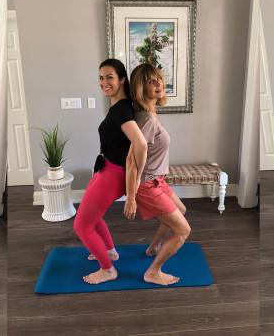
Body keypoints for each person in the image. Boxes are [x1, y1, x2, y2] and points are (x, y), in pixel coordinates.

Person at [74, 59, 147, 284]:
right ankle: (110, 251)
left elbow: (141, 144)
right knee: (91, 217)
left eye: (110, 77)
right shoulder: (118, 106)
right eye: (101, 78)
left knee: (81, 226)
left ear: (122, 79)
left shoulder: (121, 109)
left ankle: (108, 269)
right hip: (106, 169)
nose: (104, 82)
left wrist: (134, 184)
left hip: (113, 175)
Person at [125, 63, 191, 286]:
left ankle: (153, 248)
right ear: (140, 88)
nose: (158, 84)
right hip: (147, 185)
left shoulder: (151, 114)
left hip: (158, 180)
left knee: (181, 210)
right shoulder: (146, 120)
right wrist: (131, 197)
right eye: (150, 81)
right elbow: (132, 161)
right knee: (183, 230)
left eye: (159, 79)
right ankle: (152, 272)